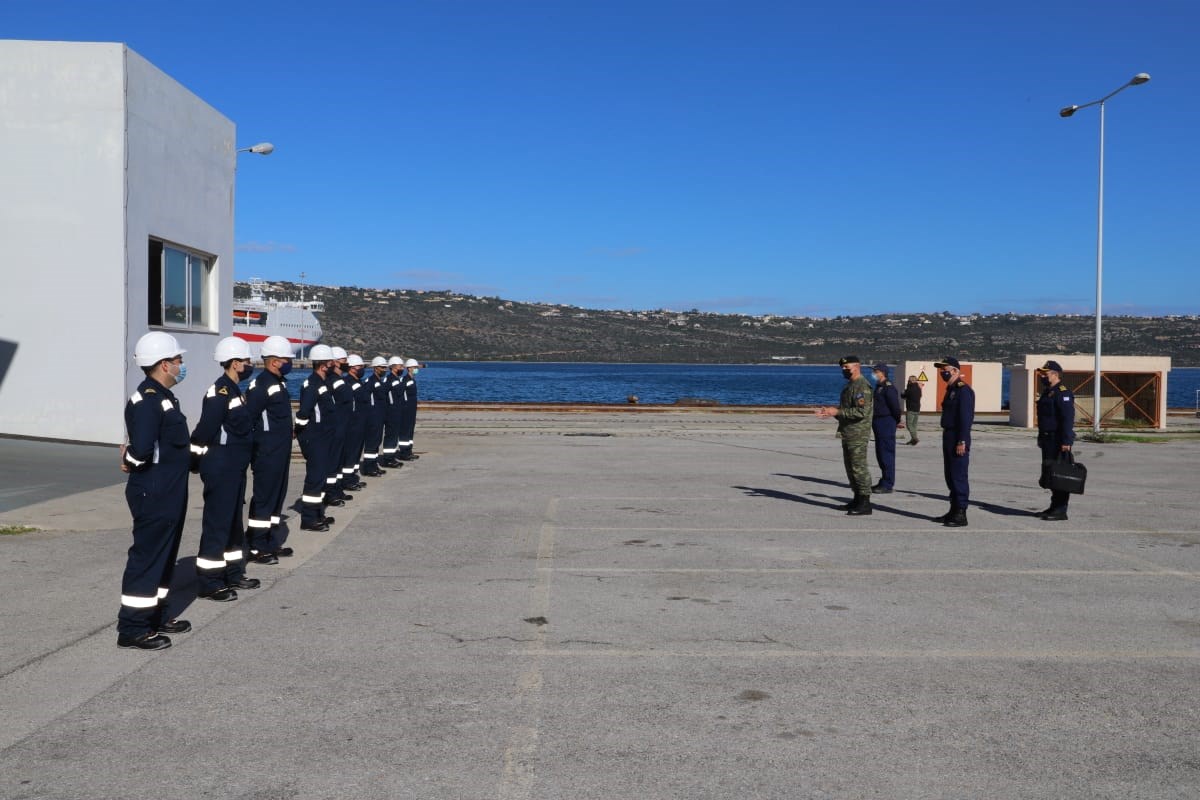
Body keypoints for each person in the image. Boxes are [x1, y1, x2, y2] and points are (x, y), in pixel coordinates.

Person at [117, 332, 192, 650]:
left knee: (165, 556)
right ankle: (133, 628)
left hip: (170, 490)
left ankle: (155, 615)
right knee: (147, 558)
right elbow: (141, 450)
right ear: (164, 364)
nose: (181, 365)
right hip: (154, 490)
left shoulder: (163, 396)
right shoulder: (148, 400)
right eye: (178, 360)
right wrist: (128, 460)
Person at [190, 337, 259, 601]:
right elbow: (204, 431)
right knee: (218, 525)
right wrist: (195, 461)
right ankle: (210, 582)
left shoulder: (234, 391)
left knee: (232, 525)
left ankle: (232, 573)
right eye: (246, 361)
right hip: (221, 467)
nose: (250, 365)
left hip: (234, 468)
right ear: (234, 363)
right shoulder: (219, 392)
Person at [245, 335, 295, 565]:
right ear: (275, 361)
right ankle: (256, 545)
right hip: (267, 452)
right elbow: (249, 418)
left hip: (280, 451)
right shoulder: (261, 385)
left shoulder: (279, 382)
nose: (289, 363)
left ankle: (269, 541)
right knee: (264, 499)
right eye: (286, 359)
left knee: (276, 496)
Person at [816, 355, 874, 515]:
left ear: (857, 366)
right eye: (842, 368)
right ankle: (857, 498)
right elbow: (846, 410)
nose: (844, 370)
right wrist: (831, 412)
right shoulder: (851, 385)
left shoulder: (862, 386)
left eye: (846, 367)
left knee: (859, 467)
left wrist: (838, 411)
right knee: (850, 468)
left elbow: (862, 411)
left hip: (858, 433)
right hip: (848, 431)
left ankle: (865, 501)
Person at [295, 344, 338, 531]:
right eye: (330, 363)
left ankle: (318, 513)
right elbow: (303, 413)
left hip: (323, 438)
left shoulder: (322, 384)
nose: (333, 366)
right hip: (315, 439)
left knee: (320, 478)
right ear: (323, 365)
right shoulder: (312, 384)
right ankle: (309, 518)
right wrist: (300, 432)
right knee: (315, 478)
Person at [933, 356, 974, 527]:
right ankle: (953, 509)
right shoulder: (951, 390)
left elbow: (965, 419)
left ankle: (961, 513)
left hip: (958, 437)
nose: (943, 372)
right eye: (941, 369)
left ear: (956, 371)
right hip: (949, 435)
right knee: (949, 475)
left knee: (958, 475)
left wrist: (962, 441)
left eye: (946, 369)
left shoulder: (963, 391)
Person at [1035, 360, 1075, 521]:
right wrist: (1040, 436)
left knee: (1060, 474)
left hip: (1058, 439)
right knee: (1050, 473)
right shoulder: (1048, 392)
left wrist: (1066, 441)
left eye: (1046, 373)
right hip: (1047, 438)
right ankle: (1053, 506)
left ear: (1055, 374)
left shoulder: (1063, 393)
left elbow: (1067, 419)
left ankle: (1061, 509)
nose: (1043, 376)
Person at [325, 346, 354, 505]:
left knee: (340, 461)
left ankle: (337, 488)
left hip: (344, 426)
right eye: (344, 360)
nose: (346, 363)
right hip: (336, 427)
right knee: (333, 462)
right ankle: (330, 493)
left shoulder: (340, 380)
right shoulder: (332, 381)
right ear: (335, 362)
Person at [870, 363, 901, 493]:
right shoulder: (879, 387)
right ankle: (884, 479)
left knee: (886, 453)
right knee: (880, 453)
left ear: (882, 372)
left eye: (875, 371)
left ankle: (888, 483)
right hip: (878, 421)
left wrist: (897, 420)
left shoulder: (888, 387)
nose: (874, 374)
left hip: (886, 421)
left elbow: (895, 406)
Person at [340, 354, 369, 491]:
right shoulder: (348, 383)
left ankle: (353, 477)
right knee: (351, 453)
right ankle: (347, 480)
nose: (362, 369)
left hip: (361, 423)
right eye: (360, 366)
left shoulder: (359, 382)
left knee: (357, 452)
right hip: (353, 424)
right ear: (351, 368)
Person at [360, 356, 390, 477]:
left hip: (379, 417)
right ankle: (368, 467)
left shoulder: (380, 382)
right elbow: (366, 401)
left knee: (377, 441)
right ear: (375, 368)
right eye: (382, 368)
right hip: (372, 417)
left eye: (385, 368)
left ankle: (374, 464)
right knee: (371, 442)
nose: (384, 370)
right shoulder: (370, 382)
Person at [380, 355, 405, 467]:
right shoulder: (388, 379)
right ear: (394, 367)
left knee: (394, 435)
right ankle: (387, 459)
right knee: (390, 435)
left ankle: (392, 456)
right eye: (400, 366)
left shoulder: (397, 379)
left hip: (397, 412)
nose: (402, 368)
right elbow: (383, 394)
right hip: (391, 412)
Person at [395, 358, 421, 461]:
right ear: (409, 368)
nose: (416, 369)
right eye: (415, 367)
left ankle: (409, 451)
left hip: (412, 409)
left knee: (410, 430)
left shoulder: (412, 380)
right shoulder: (405, 380)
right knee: (405, 431)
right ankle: (403, 452)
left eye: (417, 367)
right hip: (406, 410)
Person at [901, 375, 922, 445]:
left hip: (911, 409)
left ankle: (914, 438)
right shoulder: (918, 388)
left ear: (910, 381)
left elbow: (903, 396)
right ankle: (913, 439)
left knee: (909, 425)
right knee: (914, 425)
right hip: (917, 409)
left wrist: (903, 392)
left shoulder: (909, 389)